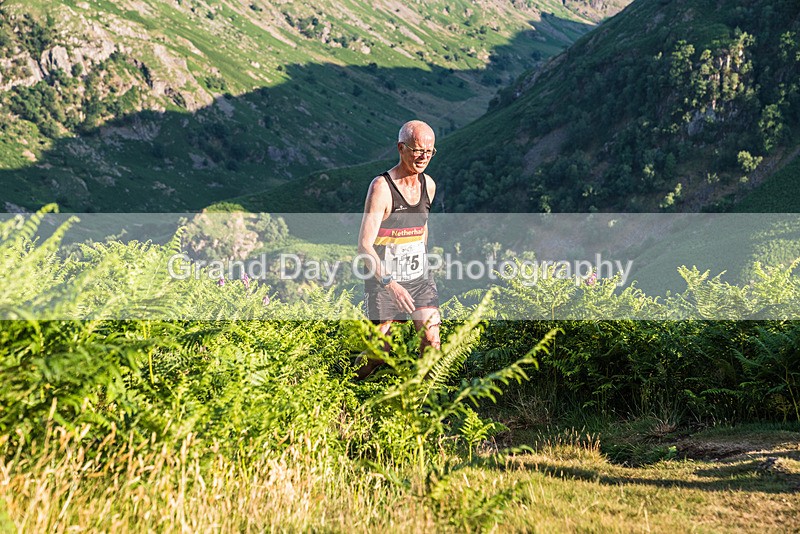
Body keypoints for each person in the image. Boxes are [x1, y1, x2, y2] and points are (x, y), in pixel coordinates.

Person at [355, 120, 441, 379]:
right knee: (380, 352)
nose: (424, 157)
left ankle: (423, 398)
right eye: (418, 150)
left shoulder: (429, 185)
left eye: (429, 151)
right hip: (384, 282)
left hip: (419, 279)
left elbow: (422, 228)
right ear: (401, 148)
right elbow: (364, 246)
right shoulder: (381, 187)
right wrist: (391, 284)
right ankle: (344, 382)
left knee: (431, 341)